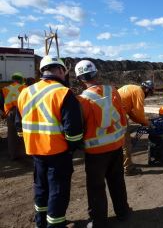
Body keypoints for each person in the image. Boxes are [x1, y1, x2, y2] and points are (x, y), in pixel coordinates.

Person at [16, 55, 84, 228]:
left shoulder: (25, 92)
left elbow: (19, 126)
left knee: (41, 188)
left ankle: (41, 222)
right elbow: (74, 131)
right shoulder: (63, 92)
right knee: (58, 192)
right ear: (60, 70)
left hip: (35, 152)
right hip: (58, 152)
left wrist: (32, 141)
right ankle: (55, 225)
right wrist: (71, 148)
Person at [75, 60, 130, 228]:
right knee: (117, 181)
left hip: (95, 152)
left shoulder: (81, 100)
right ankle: (123, 212)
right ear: (96, 73)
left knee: (96, 187)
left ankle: (99, 222)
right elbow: (122, 117)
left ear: (80, 79)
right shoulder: (113, 91)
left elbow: (79, 126)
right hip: (115, 146)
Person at [118, 80, 154, 175]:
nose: (148, 95)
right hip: (118, 115)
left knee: (116, 143)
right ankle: (128, 169)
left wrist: (142, 122)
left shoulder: (132, 89)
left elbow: (132, 114)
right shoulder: (139, 92)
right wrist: (147, 122)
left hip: (112, 113)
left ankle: (118, 164)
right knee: (126, 144)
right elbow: (139, 112)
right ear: (147, 89)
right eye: (149, 93)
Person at [0, 72, 26, 160]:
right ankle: (22, 153)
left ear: (13, 79)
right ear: (20, 80)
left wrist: (3, 113)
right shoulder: (24, 88)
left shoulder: (5, 89)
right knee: (22, 132)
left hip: (9, 113)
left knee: (11, 134)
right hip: (21, 112)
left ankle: (12, 155)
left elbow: (1, 102)